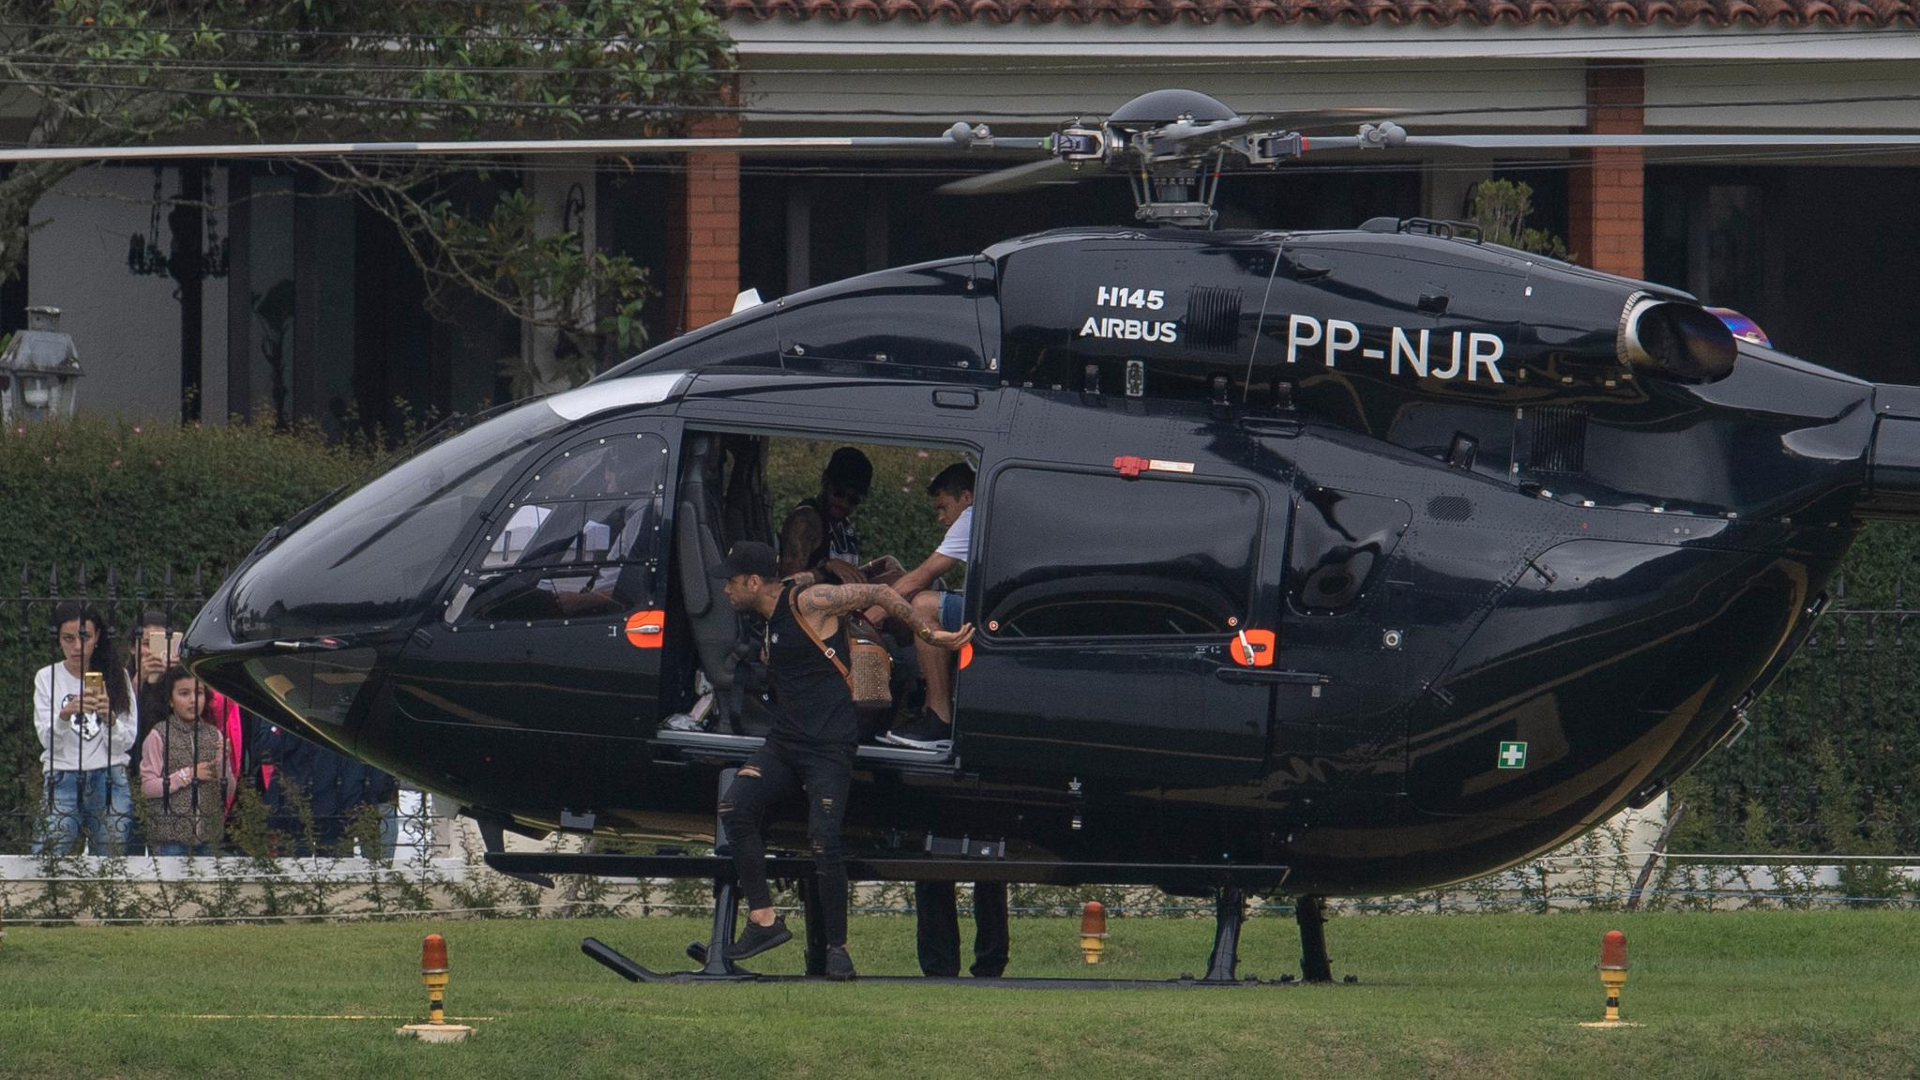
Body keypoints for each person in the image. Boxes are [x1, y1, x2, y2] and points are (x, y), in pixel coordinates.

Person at [712, 541, 971, 980]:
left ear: (754, 582)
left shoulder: (810, 601)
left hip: (828, 748)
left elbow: (882, 595)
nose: (725, 592)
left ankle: (838, 950)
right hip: (784, 743)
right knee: (735, 809)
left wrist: (931, 636)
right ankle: (764, 920)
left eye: (731, 582)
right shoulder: (770, 617)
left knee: (823, 841)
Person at [878, 462, 975, 752]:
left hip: (992, 616)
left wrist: (868, 615)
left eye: (943, 507)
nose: (941, 517)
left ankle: (938, 718)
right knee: (939, 598)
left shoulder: (971, 517)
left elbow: (921, 576)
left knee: (923, 605)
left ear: (967, 498)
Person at [31, 601, 138, 854]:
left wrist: (109, 719)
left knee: (110, 864)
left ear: (97, 636)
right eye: (68, 639)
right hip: (62, 776)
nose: (77, 647)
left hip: (109, 777)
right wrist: (65, 715)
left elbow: (128, 741)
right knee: (48, 859)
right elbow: (48, 742)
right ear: (58, 639)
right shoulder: (46, 677)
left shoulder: (117, 676)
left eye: (84, 637)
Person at [138, 666, 235, 856]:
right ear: (170, 700)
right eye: (184, 693)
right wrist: (188, 775)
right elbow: (148, 787)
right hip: (170, 837)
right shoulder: (159, 734)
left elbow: (228, 789)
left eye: (198, 693)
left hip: (208, 835)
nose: (193, 700)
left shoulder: (214, 734)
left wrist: (224, 761)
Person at [776, 446, 873, 578]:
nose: (844, 503)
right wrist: (826, 569)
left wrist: (875, 567)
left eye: (853, 500)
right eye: (838, 493)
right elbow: (788, 582)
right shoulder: (805, 521)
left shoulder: (843, 525)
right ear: (825, 480)